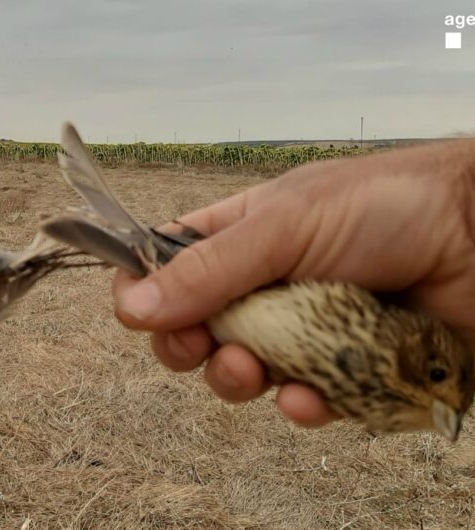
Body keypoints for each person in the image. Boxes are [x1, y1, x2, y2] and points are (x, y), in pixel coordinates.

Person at [112, 139, 475, 428]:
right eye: (437, 375)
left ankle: (135, 248)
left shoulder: (381, 390)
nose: (444, 408)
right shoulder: (371, 321)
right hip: (245, 294)